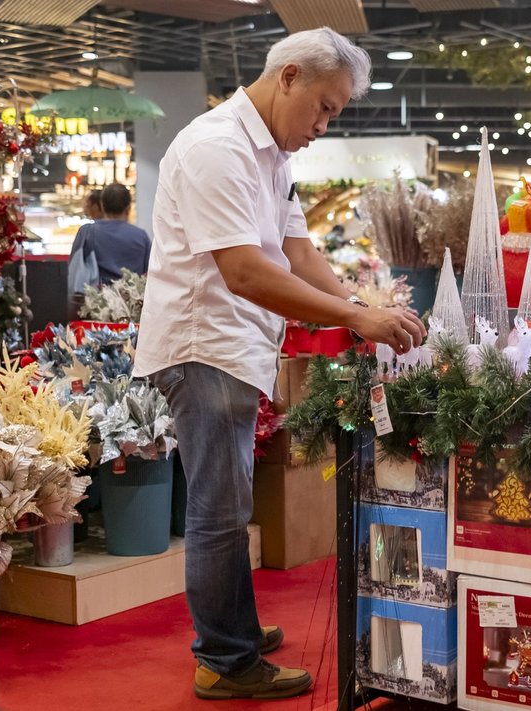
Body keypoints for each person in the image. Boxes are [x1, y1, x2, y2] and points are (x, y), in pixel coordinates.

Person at [132, 27, 425, 701]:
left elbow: (298, 255)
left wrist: (359, 300)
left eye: (334, 114)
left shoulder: (271, 156)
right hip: (203, 344)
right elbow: (244, 272)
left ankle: (231, 624)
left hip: (233, 347)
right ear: (288, 76)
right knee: (219, 508)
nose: (324, 124)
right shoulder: (218, 149)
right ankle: (224, 657)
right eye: (323, 107)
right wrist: (354, 317)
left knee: (227, 501)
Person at [69, 183, 152, 286]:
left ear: (102, 206)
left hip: (97, 299)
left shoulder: (87, 232)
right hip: (131, 299)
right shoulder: (141, 236)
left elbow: (74, 267)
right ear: (128, 208)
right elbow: (149, 273)